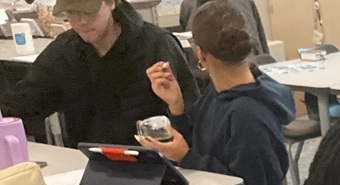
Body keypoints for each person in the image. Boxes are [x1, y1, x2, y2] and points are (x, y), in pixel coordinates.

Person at [140, 0, 294, 185]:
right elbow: (197, 142)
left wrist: (187, 157)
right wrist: (177, 104)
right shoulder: (220, 93)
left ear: (199, 52)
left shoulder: (248, 114)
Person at [0, 0, 199, 148]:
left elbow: (193, 116)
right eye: (72, 13)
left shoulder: (156, 44)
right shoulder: (64, 51)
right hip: (90, 166)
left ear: (112, 3)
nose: (82, 21)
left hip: (155, 164)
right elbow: (23, 104)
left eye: (90, 12)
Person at [179, 0, 269, 57]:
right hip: (205, 80)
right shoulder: (188, 6)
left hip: (245, 74)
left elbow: (260, 47)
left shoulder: (243, 3)